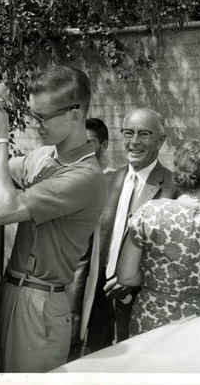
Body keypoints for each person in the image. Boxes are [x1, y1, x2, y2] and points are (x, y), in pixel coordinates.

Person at [0, 66, 106, 372]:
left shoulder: (85, 177)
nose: (35, 125)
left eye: (43, 117)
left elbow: (3, 210)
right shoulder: (44, 156)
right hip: (11, 291)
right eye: (33, 115)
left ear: (75, 115)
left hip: (41, 303)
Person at [117, 139, 200, 336]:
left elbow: (126, 275)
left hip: (151, 316)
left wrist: (159, 280)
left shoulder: (149, 212)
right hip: (198, 321)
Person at [80, 107, 180, 353]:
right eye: (128, 133)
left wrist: (135, 279)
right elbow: (87, 248)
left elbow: (176, 257)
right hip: (98, 301)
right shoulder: (106, 181)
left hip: (142, 302)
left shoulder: (175, 188)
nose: (134, 142)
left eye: (144, 134)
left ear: (161, 140)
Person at [66, 117, 115, 362]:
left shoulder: (114, 180)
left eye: (89, 142)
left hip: (98, 275)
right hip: (70, 268)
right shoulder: (69, 176)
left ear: (103, 146)